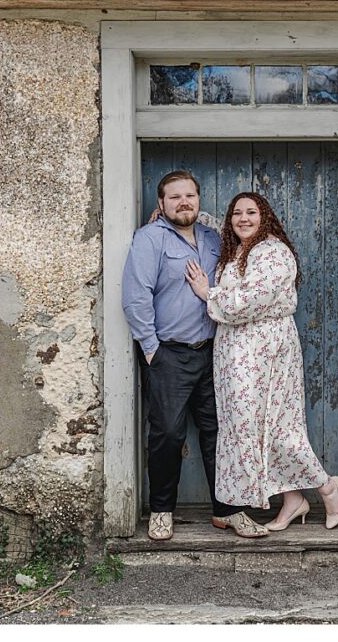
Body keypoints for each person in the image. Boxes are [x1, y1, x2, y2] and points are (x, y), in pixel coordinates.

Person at [184, 192, 338, 530]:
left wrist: (207, 293)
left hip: (267, 352)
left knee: (280, 429)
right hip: (234, 354)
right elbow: (215, 222)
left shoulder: (274, 252)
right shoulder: (239, 248)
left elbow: (248, 301)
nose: (244, 219)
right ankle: (293, 500)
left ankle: (328, 486)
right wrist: (188, 212)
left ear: (265, 216)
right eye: (237, 214)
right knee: (252, 429)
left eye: (252, 213)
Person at [121, 171, 269, 540]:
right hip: (169, 354)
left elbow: (246, 236)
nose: (183, 202)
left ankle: (228, 510)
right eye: (174, 197)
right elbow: (135, 299)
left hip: (216, 354)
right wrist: (152, 350)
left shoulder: (213, 237)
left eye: (189, 195)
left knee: (220, 434)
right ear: (161, 204)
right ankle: (161, 510)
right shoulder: (149, 238)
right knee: (168, 434)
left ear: (198, 201)